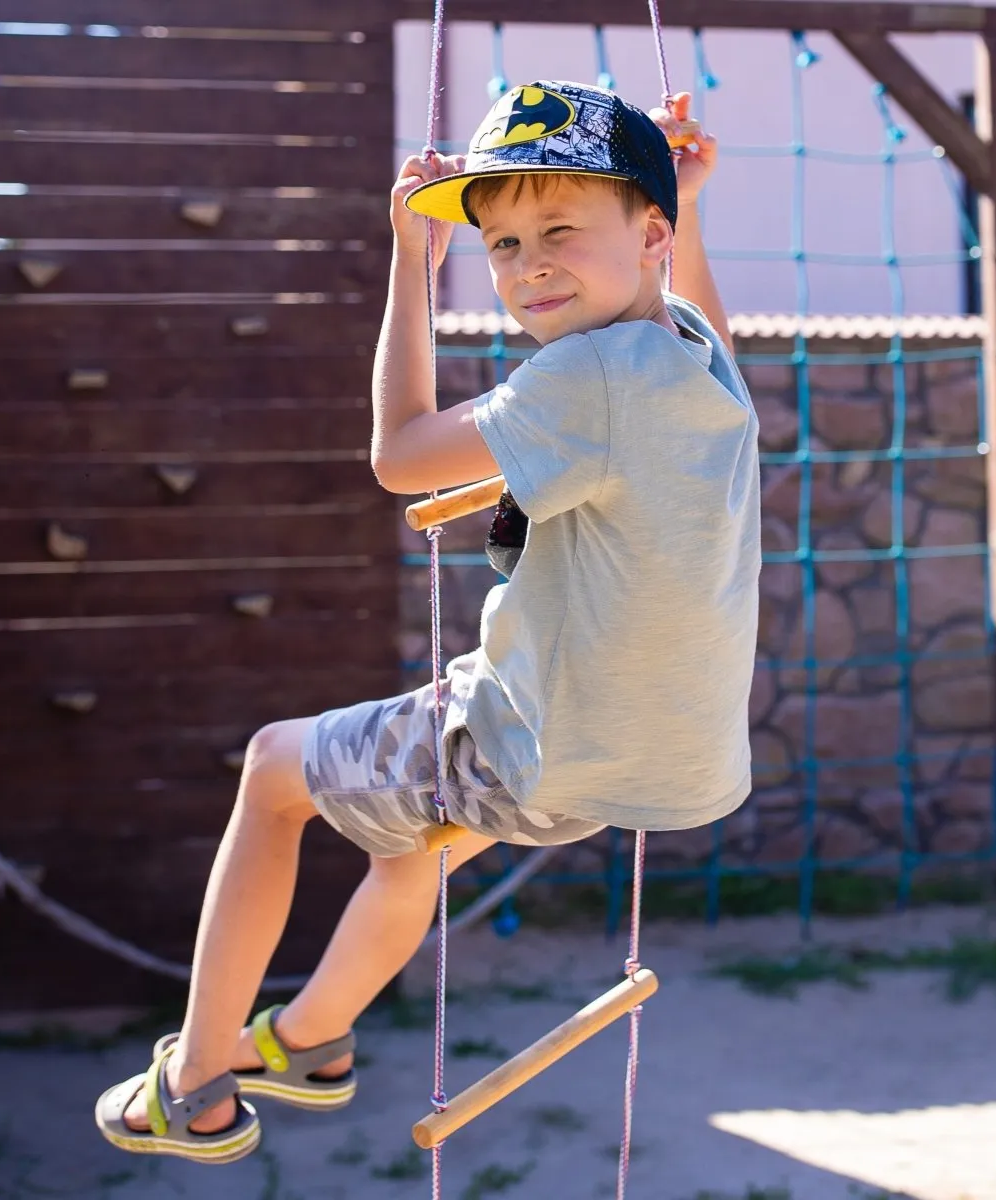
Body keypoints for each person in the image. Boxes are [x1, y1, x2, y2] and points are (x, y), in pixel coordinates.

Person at [95, 80, 760, 1163]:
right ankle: (311, 1039)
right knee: (409, 849)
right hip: (650, 764)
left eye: (558, 231)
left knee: (273, 770)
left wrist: (411, 259)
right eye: (496, 244)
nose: (528, 263)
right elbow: (701, 305)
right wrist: (685, 203)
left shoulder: (584, 374)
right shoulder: (696, 356)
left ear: (647, 238)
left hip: (533, 751)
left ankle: (197, 1084)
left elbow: (399, 455)